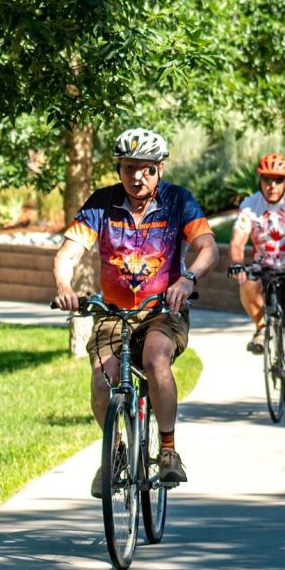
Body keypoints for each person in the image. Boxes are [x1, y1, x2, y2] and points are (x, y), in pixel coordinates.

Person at [52, 126, 219, 493]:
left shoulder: (178, 201)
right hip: (113, 311)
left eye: (145, 168)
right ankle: (114, 452)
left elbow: (208, 248)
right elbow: (68, 252)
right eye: (128, 168)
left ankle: (169, 450)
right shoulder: (102, 204)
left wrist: (188, 279)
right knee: (102, 379)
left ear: (159, 168)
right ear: (119, 170)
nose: (137, 177)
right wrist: (64, 287)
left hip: (163, 308)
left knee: (156, 357)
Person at [229, 152, 285, 405]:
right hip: (264, 266)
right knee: (247, 280)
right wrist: (237, 264)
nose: (272, 186)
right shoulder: (250, 205)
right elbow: (238, 241)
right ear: (259, 181)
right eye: (267, 180)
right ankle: (261, 328)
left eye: (278, 180)